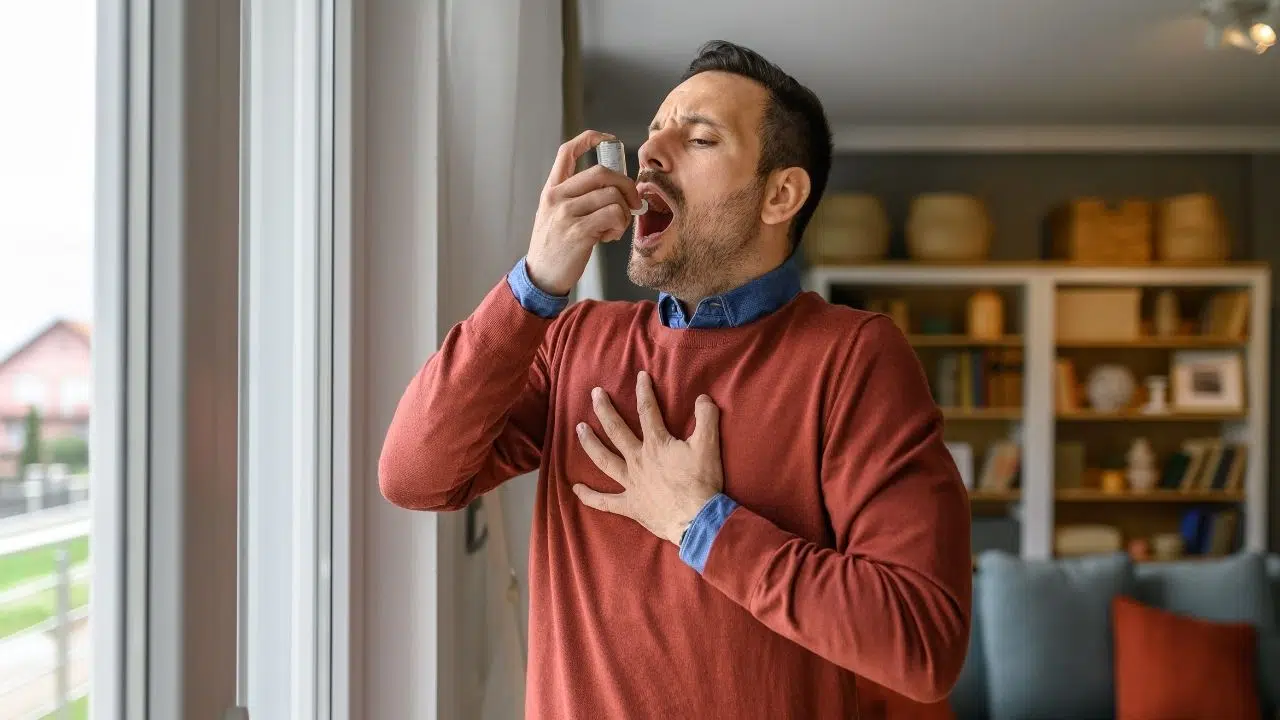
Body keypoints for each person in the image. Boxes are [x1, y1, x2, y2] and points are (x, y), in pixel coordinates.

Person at [379, 40, 972, 719]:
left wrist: (701, 524)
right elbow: (413, 476)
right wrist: (535, 284)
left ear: (781, 194)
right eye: (654, 132)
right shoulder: (573, 338)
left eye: (698, 137)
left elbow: (923, 645)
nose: (651, 153)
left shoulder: (854, 357)